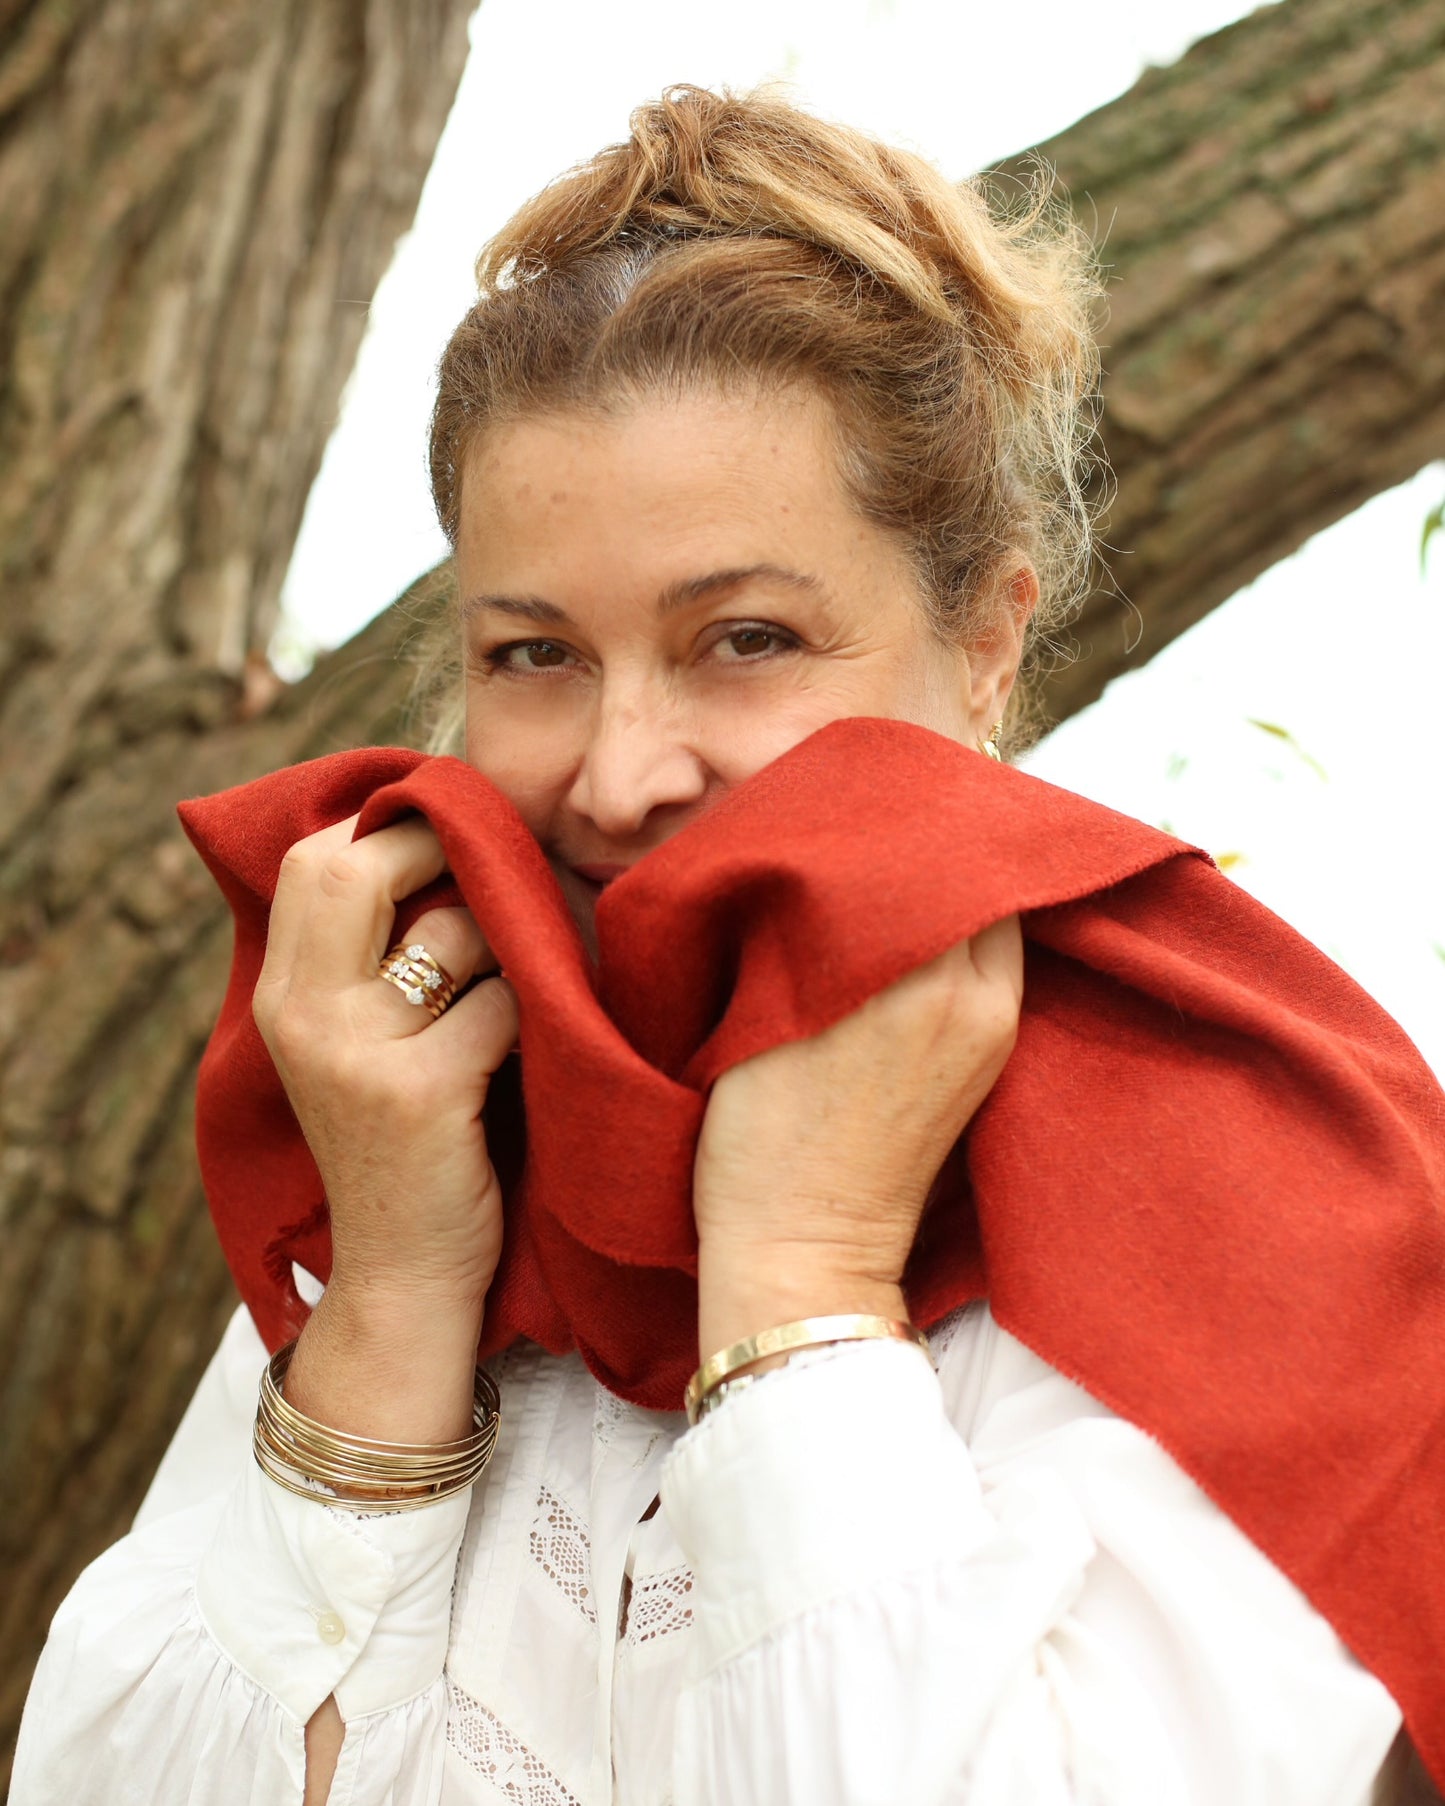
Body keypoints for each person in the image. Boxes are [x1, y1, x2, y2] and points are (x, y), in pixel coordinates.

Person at [12, 84, 1428, 1806]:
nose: (619, 775)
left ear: (985, 640)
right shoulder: (446, 1149)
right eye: (534, 653)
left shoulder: (1242, 1174)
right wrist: (389, 1296)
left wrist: (805, 1280)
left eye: (744, 637)